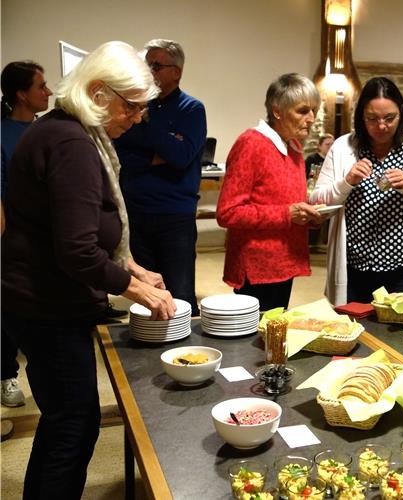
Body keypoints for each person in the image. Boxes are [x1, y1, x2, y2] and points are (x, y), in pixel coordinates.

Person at [1, 41, 176, 499]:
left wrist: (130, 267)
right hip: (47, 305)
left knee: (65, 418)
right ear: (99, 93)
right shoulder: (71, 143)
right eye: (132, 107)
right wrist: (139, 291)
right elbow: (77, 250)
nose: (137, 118)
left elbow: (79, 227)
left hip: (39, 298)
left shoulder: (61, 130)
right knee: (73, 423)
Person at [310, 77, 403, 305]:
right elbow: (317, 204)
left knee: (398, 335)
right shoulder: (343, 147)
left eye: (389, 118)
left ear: (402, 113)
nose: (381, 126)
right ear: (361, 117)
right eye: (372, 118)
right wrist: (346, 182)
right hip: (353, 270)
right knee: (352, 333)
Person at [115, 38, 207, 315]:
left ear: (176, 72)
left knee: (179, 294)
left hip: (174, 216)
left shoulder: (191, 109)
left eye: (156, 65)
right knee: (146, 293)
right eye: (146, 64)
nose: (148, 70)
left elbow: (180, 157)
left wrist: (148, 125)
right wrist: (155, 155)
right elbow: (120, 156)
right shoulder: (135, 108)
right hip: (136, 211)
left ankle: (186, 355)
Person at [216, 73, 322, 310]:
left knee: (275, 335)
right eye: (303, 111)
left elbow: (286, 202)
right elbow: (228, 212)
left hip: (285, 262)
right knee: (256, 341)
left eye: (314, 110)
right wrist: (287, 214)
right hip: (258, 267)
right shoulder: (252, 143)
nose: (311, 118)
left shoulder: (293, 147)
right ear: (277, 111)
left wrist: (309, 216)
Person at [1, 60, 51, 409]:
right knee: (7, 311)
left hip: (47, 237)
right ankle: (6, 375)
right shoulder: (2, 134)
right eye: (41, 86)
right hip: (11, 237)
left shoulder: (48, 130)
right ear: (21, 94)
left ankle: (45, 374)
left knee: (44, 314)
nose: (48, 92)